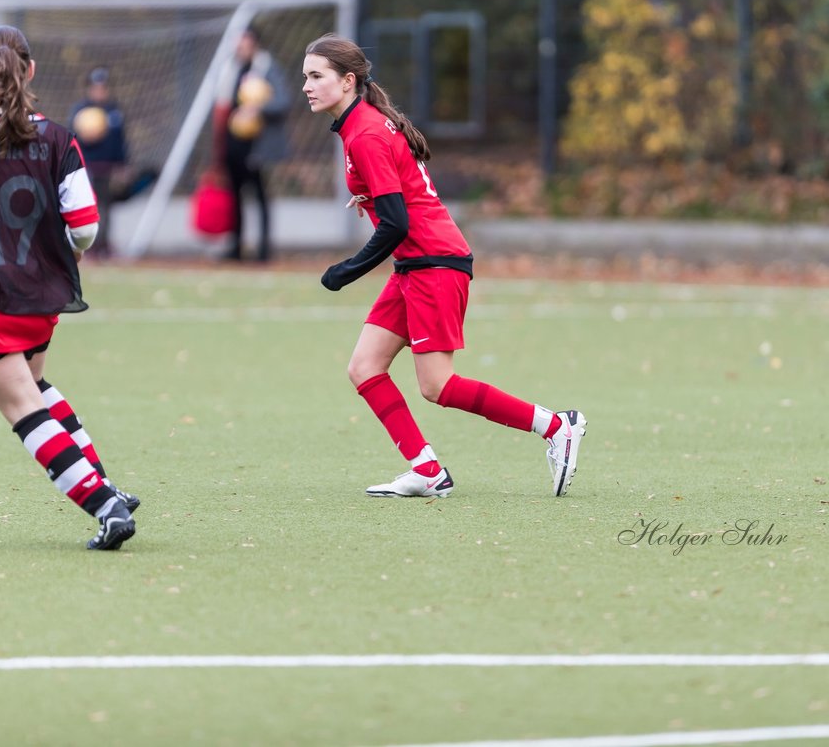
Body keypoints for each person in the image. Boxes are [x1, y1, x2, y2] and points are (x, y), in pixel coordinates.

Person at [302, 34, 587, 498]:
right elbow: (399, 196)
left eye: (317, 77)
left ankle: (557, 426)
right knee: (365, 367)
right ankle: (427, 469)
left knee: (437, 386)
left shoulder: (367, 132)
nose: (307, 87)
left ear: (348, 81)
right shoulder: (362, 126)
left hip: (434, 263)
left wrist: (346, 270)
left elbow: (396, 223)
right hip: (417, 265)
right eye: (306, 77)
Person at [0, 25, 138, 550]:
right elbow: (85, 227)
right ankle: (108, 488)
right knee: (35, 390)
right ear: (30, 70)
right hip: (41, 297)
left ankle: (103, 504)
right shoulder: (59, 138)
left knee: (23, 410)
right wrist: (60, 256)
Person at [213, 26, 289, 262]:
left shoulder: (267, 69)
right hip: (233, 144)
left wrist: (258, 108)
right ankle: (236, 246)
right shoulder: (230, 69)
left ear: (254, 43)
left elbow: (283, 101)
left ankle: (264, 249)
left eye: (244, 42)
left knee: (260, 195)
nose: (239, 47)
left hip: (257, 146)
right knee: (235, 196)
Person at [68, 67, 128, 258]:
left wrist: (122, 165)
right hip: (86, 167)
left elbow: (121, 141)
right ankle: (87, 245)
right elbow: (72, 139)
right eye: (95, 87)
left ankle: (103, 244)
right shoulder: (80, 110)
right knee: (88, 205)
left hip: (107, 167)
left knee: (106, 206)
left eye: (102, 87)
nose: (99, 91)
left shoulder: (114, 111)